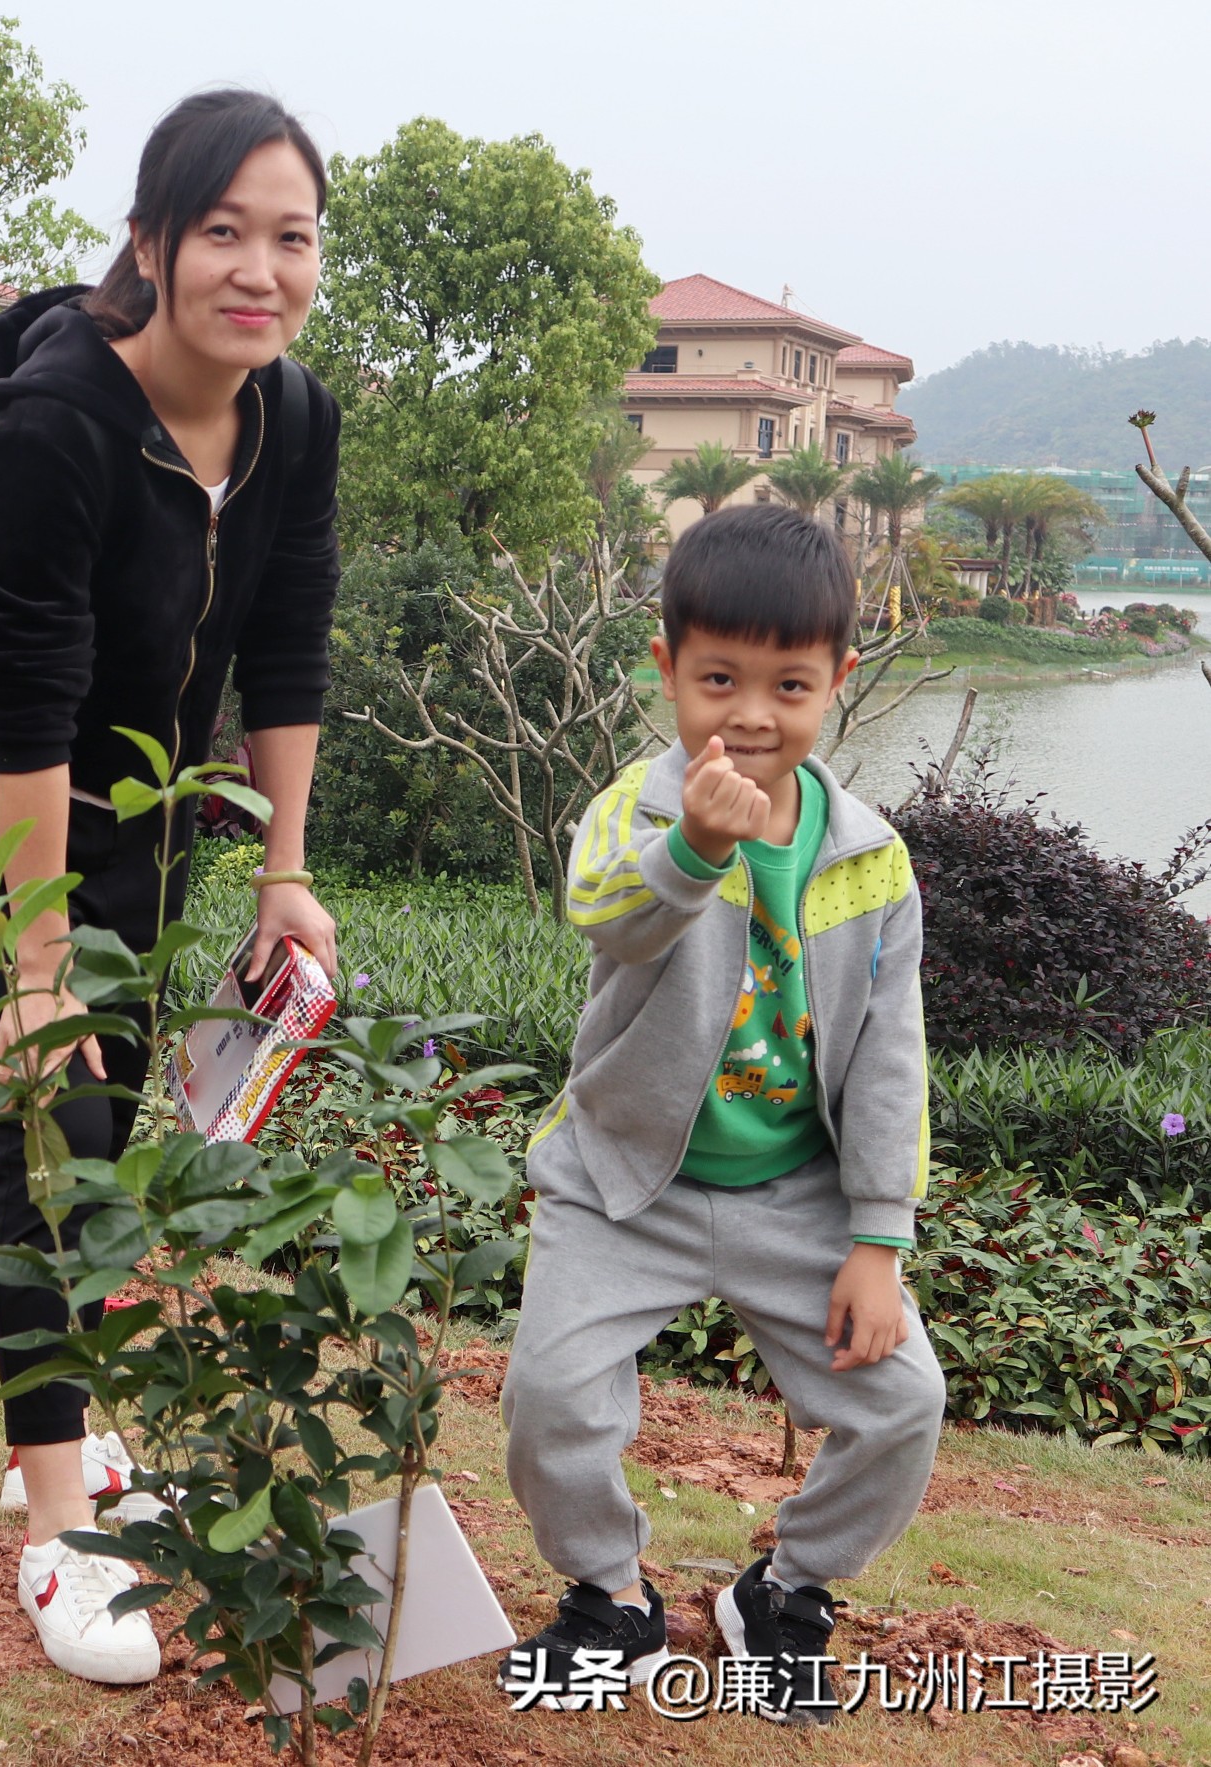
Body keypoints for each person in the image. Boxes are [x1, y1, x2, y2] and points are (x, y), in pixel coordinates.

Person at [0, 90, 342, 1685]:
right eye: (220, 231)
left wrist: (281, 868)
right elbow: (26, 696)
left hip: (149, 825)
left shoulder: (293, 415)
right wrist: (30, 955)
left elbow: (284, 645)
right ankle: (56, 1533)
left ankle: (63, 1432)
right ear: (150, 243)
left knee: (113, 1127)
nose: (257, 269)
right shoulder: (54, 430)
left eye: (289, 237)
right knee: (53, 1142)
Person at [496, 503, 947, 1725]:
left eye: (789, 683)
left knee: (904, 1403)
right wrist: (695, 851)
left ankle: (783, 1594)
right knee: (549, 1400)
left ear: (838, 681)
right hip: (622, 1181)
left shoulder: (872, 860)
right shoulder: (640, 812)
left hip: (795, 1196)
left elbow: (892, 1059)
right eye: (718, 678)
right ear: (668, 671)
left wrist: (879, 1239)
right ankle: (609, 1595)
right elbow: (605, 919)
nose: (750, 713)